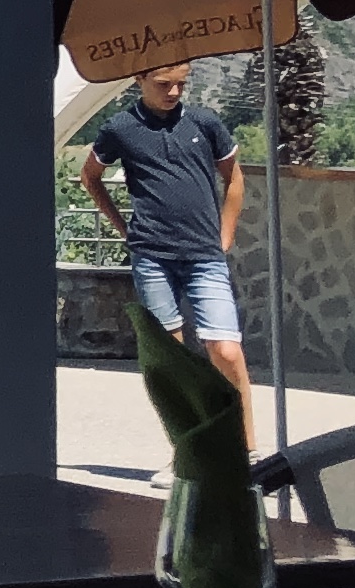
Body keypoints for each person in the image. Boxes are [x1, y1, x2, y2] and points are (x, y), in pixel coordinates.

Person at [84, 59, 251, 400]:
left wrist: (226, 234)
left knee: (227, 351)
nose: (173, 92)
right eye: (163, 84)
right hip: (152, 256)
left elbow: (234, 177)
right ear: (139, 78)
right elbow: (90, 177)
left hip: (205, 254)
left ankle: (244, 433)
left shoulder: (204, 122)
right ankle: (189, 430)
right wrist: (123, 229)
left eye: (181, 84)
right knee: (171, 358)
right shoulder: (120, 128)